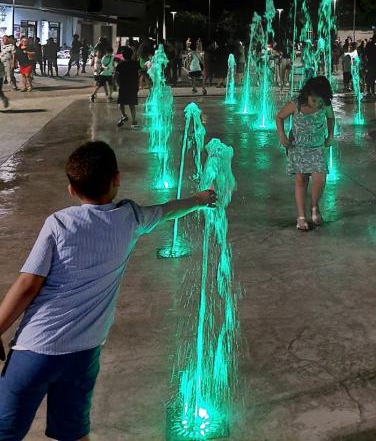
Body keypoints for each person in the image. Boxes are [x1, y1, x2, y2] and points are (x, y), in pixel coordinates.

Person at [0, 140, 216, 441]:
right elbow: (166, 211)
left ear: (72, 190)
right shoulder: (131, 219)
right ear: (117, 179)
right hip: (84, 353)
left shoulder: (59, 223)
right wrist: (200, 198)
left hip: (36, 349)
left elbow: (27, 284)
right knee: (74, 433)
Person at [276, 76, 334, 231]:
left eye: (320, 102)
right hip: (298, 147)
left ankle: (314, 206)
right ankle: (301, 216)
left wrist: (330, 135)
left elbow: (331, 118)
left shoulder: (325, 104)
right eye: (314, 101)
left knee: (320, 178)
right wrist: (282, 136)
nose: (317, 104)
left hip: (317, 147)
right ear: (307, 94)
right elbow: (279, 117)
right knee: (301, 180)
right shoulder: (296, 104)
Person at [115, 46, 140, 127]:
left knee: (121, 102)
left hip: (123, 86)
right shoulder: (135, 64)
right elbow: (140, 73)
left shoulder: (120, 65)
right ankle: (134, 120)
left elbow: (116, 76)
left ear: (123, 55)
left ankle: (124, 115)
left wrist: (117, 84)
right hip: (133, 86)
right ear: (131, 55)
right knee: (131, 104)